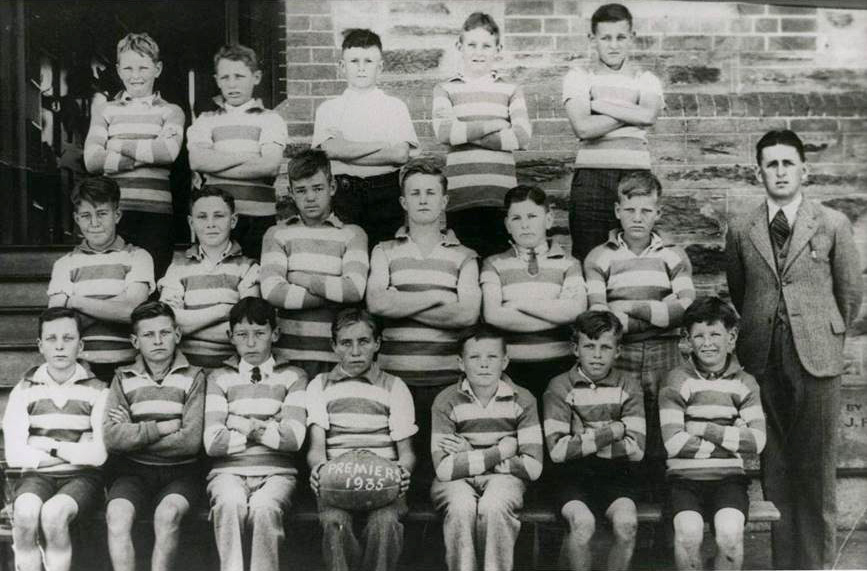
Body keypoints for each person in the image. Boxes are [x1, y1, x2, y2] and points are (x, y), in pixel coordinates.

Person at [725, 129, 863, 569]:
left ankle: (817, 564)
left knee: (817, 469)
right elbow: (739, 289)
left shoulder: (832, 223)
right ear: (759, 172)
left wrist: (827, 333)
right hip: (763, 355)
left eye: (788, 163)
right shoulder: (743, 228)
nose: (780, 172)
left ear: (804, 169)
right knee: (776, 467)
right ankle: (786, 564)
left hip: (817, 358)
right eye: (771, 164)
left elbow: (849, 295)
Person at [366, 160, 480, 496]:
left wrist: (404, 303)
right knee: (399, 482)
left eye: (431, 192)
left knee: (441, 480)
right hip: (395, 384)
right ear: (403, 201)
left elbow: (467, 315)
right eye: (414, 193)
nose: (423, 199)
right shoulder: (384, 250)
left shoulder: (465, 256)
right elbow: (376, 304)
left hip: (446, 386)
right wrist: (438, 297)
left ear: (445, 200)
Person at [583, 171, 695, 493]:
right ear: (618, 210)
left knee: (666, 426)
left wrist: (630, 310)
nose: (637, 218)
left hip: (665, 352)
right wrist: (659, 310)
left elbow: (685, 307)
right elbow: (601, 317)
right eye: (630, 210)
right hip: (623, 354)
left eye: (646, 211)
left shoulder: (673, 254)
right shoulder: (599, 257)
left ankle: (662, 521)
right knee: (625, 426)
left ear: (658, 213)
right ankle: (627, 504)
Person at [659, 296, 766, 571]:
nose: (707, 343)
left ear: (731, 338)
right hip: (684, 480)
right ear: (687, 340)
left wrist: (702, 428)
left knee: (730, 536)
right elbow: (673, 443)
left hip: (729, 480)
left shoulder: (745, 383)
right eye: (699, 336)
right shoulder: (676, 380)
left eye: (715, 334)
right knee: (688, 534)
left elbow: (757, 441)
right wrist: (731, 438)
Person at [306, 308, 417, 571]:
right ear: (334, 346)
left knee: (385, 523)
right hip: (337, 482)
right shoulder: (320, 385)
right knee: (335, 522)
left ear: (377, 343)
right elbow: (316, 448)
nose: (355, 351)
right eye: (346, 343)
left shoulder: (394, 386)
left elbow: (407, 452)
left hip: (383, 482)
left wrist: (402, 473)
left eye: (364, 341)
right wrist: (318, 470)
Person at [203, 297, 308, 571]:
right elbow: (213, 443)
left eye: (259, 333)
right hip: (227, 472)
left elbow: (292, 439)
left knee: (264, 508)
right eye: (242, 334)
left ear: (275, 334)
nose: (251, 343)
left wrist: (240, 423)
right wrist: (269, 426)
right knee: (228, 503)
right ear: (230, 337)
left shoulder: (294, 376)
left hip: (277, 473)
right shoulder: (218, 378)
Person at [430, 324, 543, 571]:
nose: (484, 364)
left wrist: (468, 456)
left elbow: (533, 467)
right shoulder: (446, 400)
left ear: (505, 362)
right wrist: (502, 451)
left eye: (492, 357)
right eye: (474, 357)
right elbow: (444, 470)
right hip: (457, 481)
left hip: (504, 479)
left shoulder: (522, 399)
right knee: (461, 508)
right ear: (461, 362)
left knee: (494, 507)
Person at [102, 301, 205, 571]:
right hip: (133, 473)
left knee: (167, 515)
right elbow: (112, 439)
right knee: (116, 516)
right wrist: (161, 428)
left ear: (178, 335)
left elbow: (190, 442)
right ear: (135, 341)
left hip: (182, 474)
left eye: (165, 333)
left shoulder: (195, 377)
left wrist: (134, 434)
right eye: (148, 335)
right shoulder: (122, 378)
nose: (158, 341)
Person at [3, 308, 108, 571]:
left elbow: (98, 456)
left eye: (68, 338)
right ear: (40, 345)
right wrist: (73, 451)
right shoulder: (24, 390)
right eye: (51, 339)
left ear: (80, 344)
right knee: (25, 514)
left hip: (83, 479)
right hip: (35, 478)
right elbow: (15, 455)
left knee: (53, 515)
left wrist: (46, 445)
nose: (60, 346)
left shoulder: (99, 391)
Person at [543, 310, 645, 571]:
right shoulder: (559, 386)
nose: (597, 355)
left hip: (617, 475)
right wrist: (615, 429)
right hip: (571, 476)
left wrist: (583, 437)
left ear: (618, 351)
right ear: (575, 349)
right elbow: (557, 451)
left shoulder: (629, 386)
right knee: (582, 523)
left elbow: (636, 450)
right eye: (589, 346)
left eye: (605, 347)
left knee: (627, 524)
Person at [562, 3, 664, 262]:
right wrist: (632, 112)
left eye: (621, 37)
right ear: (592, 39)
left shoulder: (647, 79)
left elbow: (649, 116)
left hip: (636, 176)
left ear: (632, 38)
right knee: (589, 255)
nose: (613, 45)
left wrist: (599, 105)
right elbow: (584, 128)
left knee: (635, 256)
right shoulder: (579, 76)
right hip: (591, 179)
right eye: (605, 38)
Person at [260, 149, 369, 379]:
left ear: (332, 187)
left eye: (317, 188)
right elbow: (272, 292)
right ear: (290, 193)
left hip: (336, 360)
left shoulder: (352, 235)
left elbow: (354, 290)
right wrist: (333, 295)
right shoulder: (277, 234)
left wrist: (301, 279)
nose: (310, 197)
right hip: (286, 358)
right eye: (301, 190)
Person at [83, 32, 185, 278]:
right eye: (128, 67)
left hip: (156, 215)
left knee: (153, 282)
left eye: (143, 67)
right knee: (116, 280)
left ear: (157, 69)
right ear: (118, 70)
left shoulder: (171, 111)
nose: (135, 75)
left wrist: (116, 144)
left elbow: (167, 152)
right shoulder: (105, 110)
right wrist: (147, 152)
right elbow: (92, 160)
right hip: (117, 213)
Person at [432, 12, 532, 260]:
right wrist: (494, 124)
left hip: (501, 199)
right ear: (459, 46)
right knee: (464, 266)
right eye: (472, 45)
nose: (479, 52)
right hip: (461, 198)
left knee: (499, 268)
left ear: (498, 49)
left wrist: (464, 132)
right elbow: (444, 132)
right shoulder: (446, 88)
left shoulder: (510, 90)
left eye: (486, 46)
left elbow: (521, 137)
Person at [312, 28, 419, 249]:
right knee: (346, 253)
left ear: (380, 67)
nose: (361, 68)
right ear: (342, 66)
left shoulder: (394, 107)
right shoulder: (329, 109)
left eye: (368, 61)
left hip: (385, 191)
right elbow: (330, 151)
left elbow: (400, 154)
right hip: (344, 192)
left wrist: (347, 152)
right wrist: (381, 145)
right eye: (354, 61)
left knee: (384, 253)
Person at [481, 185, 586, 399]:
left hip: (561, 369)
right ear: (507, 225)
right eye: (517, 218)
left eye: (532, 216)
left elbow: (575, 311)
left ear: (548, 220)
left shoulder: (569, 264)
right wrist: (555, 313)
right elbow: (493, 315)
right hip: (511, 372)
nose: (525, 225)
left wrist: (519, 305)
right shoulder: (494, 264)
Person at [47, 176, 154, 382]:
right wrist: (116, 303)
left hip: (131, 368)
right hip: (79, 370)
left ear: (117, 215)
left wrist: (73, 302)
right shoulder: (64, 264)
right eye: (86, 216)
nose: (94, 223)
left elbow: (132, 311)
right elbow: (59, 323)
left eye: (102, 214)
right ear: (76, 219)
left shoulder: (138, 256)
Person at [187, 44, 288, 260]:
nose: (232, 84)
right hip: (217, 219)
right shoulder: (206, 120)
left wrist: (215, 167)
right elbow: (197, 161)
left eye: (239, 76)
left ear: (256, 77)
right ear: (217, 80)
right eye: (225, 77)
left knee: (256, 281)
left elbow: (269, 165)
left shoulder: (270, 119)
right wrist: (247, 157)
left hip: (258, 217)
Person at [159, 187, 260, 368]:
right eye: (202, 217)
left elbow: (247, 329)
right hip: (186, 370)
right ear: (191, 223)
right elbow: (166, 323)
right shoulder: (177, 267)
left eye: (219, 216)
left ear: (233, 220)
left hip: (231, 370)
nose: (210, 224)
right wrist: (223, 310)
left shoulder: (248, 268)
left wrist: (187, 329)